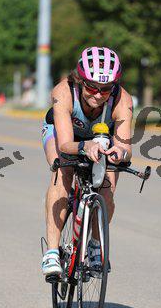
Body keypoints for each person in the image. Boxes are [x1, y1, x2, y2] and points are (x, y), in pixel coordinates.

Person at [41, 46, 133, 278]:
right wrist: (85, 146)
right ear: (80, 80)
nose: (98, 95)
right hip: (65, 135)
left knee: (108, 185)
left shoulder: (123, 100)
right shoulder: (63, 91)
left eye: (106, 89)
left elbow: (126, 148)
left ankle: (94, 244)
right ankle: (52, 252)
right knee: (62, 171)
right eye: (92, 87)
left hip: (102, 137)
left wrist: (119, 153)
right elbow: (65, 145)